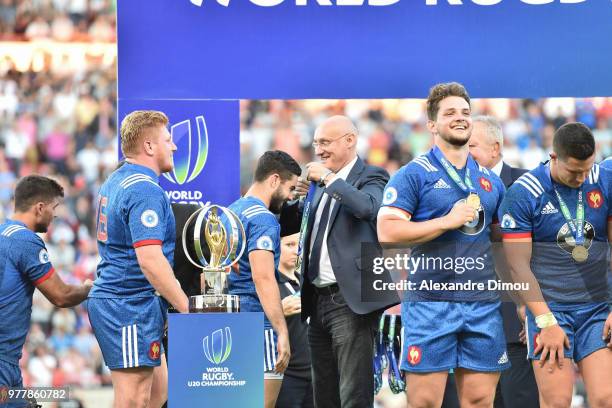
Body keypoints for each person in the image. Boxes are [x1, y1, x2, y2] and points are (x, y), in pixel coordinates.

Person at [377, 82, 510, 408]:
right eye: (450, 112)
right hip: (429, 305)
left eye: (465, 112)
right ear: (432, 125)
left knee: (479, 401)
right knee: (424, 402)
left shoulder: (491, 181)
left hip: (482, 305)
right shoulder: (413, 174)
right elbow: (387, 231)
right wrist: (446, 221)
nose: (460, 118)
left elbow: (501, 243)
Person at [287, 115, 398, 408]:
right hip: (316, 300)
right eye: (315, 144)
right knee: (323, 395)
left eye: (325, 142)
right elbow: (295, 228)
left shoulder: (372, 175)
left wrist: (327, 178)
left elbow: (368, 208)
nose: (319, 150)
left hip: (350, 300)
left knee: (353, 395)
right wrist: (294, 200)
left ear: (350, 140)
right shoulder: (319, 186)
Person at [500, 122, 612, 408]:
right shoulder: (524, 193)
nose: (581, 177)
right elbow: (518, 267)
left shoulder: (604, 180)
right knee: (557, 402)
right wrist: (545, 321)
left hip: (597, 308)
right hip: (550, 309)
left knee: (605, 398)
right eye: (574, 171)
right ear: (553, 157)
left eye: (586, 169)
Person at [87, 110, 189, 408]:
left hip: (132, 302)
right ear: (148, 147)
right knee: (134, 400)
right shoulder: (145, 190)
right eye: (168, 140)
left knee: (158, 394)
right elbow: (150, 260)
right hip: (128, 305)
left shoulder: (117, 178)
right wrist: (185, 308)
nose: (174, 146)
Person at [0, 175, 91, 407]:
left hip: (9, 363)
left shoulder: (3, 234)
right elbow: (61, 295)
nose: (56, 214)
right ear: (39, 208)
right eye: (54, 207)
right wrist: (89, 288)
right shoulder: (25, 240)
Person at [469, 115, 538, 408]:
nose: (463, 152)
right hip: (469, 323)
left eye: (471, 145)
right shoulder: (452, 187)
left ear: (495, 148)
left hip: (517, 324)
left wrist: (537, 312)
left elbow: (547, 254)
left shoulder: (528, 183)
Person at [228, 150, 300, 408]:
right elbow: (263, 277)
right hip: (259, 325)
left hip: (230, 322)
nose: (292, 196)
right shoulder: (263, 218)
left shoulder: (230, 212)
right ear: (274, 180)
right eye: (291, 188)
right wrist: (282, 331)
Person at [275, 232, 313, 408]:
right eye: (289, 245)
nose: (295, 251)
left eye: (298, 246)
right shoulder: (270, 285)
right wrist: (279, 311)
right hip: (286, 376)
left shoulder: (309, 283)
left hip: (315, 374)